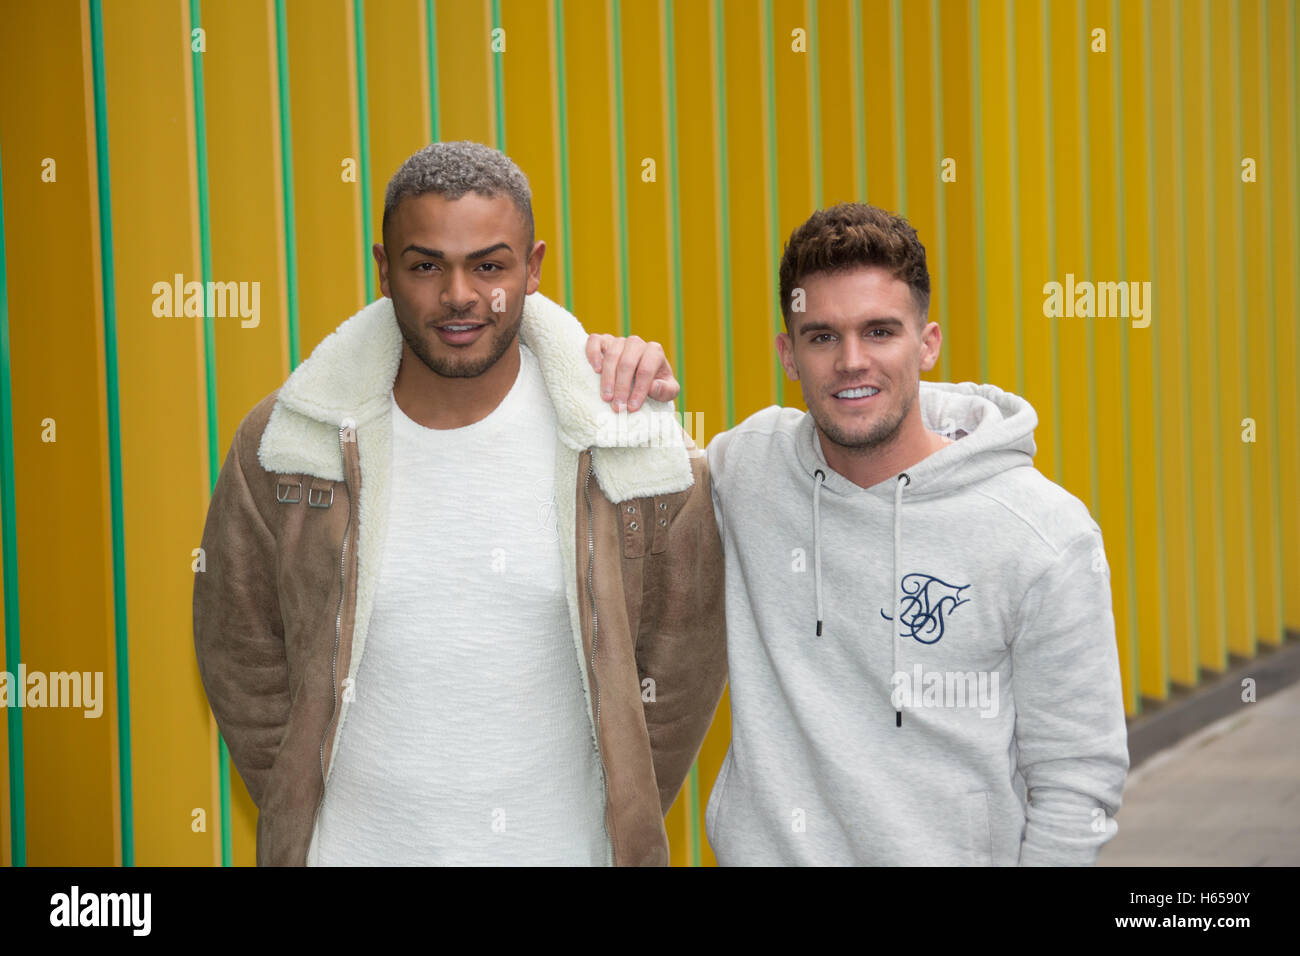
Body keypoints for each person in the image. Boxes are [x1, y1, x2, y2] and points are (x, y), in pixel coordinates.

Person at [192, 140, 727, 866]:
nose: (460, 296)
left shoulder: (627, 441)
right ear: (384, 269)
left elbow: (681, 663)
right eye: (425, 265)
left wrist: (612, 812)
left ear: (533, 267)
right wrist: (304, 808)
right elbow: (242, 657)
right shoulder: (290, 440)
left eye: (489, 264)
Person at [588, 202, 1129, 865]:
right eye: (821, 336)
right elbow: (643, 500)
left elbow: (1078, 781)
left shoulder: (1044, 536)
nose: (851, 362)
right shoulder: (749, 468)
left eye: (879, 332)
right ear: (788, 354)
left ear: (926, 342)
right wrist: (626, 383)